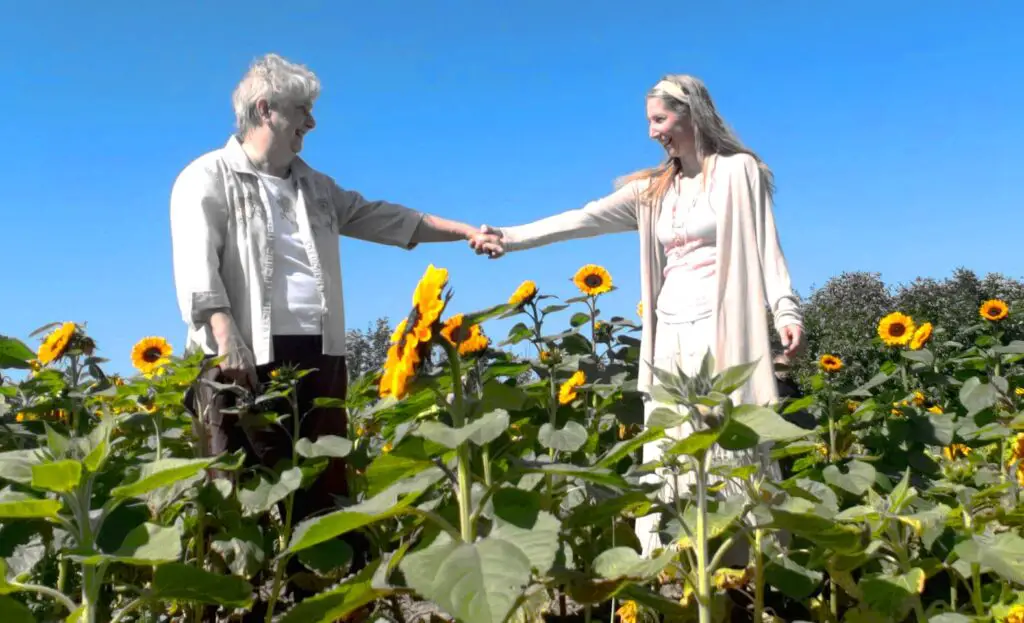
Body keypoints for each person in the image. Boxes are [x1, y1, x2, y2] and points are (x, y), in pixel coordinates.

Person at [169, 53, 499, 573]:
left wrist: (464, 231)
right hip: (243, 354)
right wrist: (224, 333)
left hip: (319, 353)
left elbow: (383, 217)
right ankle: (244, 601)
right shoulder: (208, 176)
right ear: (266, 109)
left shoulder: (315, 186)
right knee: (239, 491)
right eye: (302, 110)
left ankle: (318, 592)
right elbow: (196, 262)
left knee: (322, 485)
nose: (311, 123)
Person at [469, 74, 805, 557]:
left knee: (731, 440)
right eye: (649, 121)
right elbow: (583, 218)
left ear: (692, 114)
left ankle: (746, 568)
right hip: (669, 329)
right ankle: (672, 564)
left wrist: (785, 310)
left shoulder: (739, 172)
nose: (652, 131)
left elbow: (767, 246)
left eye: (660, 119)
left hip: (723, 326)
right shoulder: (651, 191)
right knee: (671, 442)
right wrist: (510, 236)